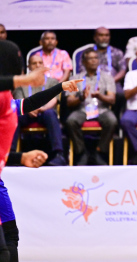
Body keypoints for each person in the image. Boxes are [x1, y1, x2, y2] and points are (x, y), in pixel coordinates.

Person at [0, 76, 81, 262]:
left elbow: (29, 103)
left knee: (10, 234)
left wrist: (59, 87)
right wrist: (21, 157)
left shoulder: (4, 104)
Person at [12, 54, 66, 166]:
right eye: (34, 63)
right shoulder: (21, 82)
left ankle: (59, 155)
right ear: (28, 66)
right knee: (13, 116)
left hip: (45, 111)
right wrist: (28, 109)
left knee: (51, 113)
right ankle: (11, 154)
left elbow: (54, 100)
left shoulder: (52, 81)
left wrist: (43, 108)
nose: (37, 65)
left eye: (40, 63)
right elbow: (18, 99)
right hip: (26, 112)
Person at [66, 48, 117, 165]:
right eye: (90, 58)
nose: (94, 61)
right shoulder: (75, 78)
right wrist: (81, 98)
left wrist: (100, 96)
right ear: (83, 62)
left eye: (96, 58)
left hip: (101, 109)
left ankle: (99, 151)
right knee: (71, 121)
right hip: (82, 109)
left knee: (112, 120)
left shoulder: (107, 77)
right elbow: (69, 101)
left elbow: (112, 99)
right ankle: (82, 152)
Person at [93, 27, 127, 120]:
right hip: (93, 81)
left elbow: (123, 70)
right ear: (95, 37)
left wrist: (111, 81)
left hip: (113, 81)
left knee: (120, 94)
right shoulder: (89, 53)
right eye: (101, 35)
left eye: (106, 35)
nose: (104, 38)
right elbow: (83, 70)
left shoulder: (117, 52)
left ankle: (115, 120)